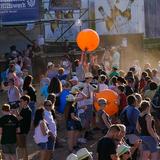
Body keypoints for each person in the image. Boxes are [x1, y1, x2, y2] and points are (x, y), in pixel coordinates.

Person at [16, 95, 32, 160]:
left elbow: (18, 118)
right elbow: (19, 117)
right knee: (22, 147)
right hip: (21, 131)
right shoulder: (24, 109)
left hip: (23, 131)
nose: (20, 102)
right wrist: (17, 111)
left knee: (23, 148)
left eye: (21, 101)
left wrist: (14, 113)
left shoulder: (27, 110)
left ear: (26, 101)